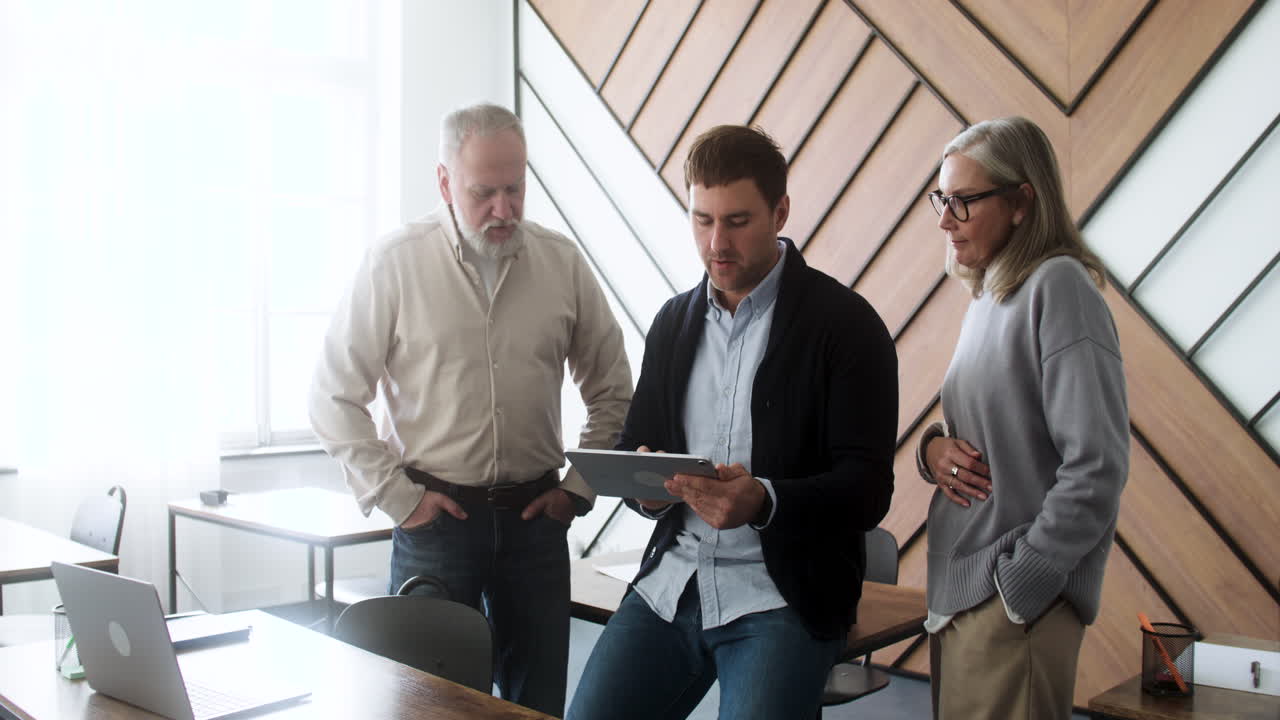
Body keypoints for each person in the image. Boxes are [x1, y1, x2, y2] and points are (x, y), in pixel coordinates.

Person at [308, 102, 633, 715]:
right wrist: (399, 499)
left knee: (537, 705)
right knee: (425, 706)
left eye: (516, 189)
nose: (504, 210)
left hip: (537, 522)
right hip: (435, 525)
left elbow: (614, 388)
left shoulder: (561, 263)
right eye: (484, 193)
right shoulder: (395, 264)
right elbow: (332, 396)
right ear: (444, 182)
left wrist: (579, 490)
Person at [566, 125, 898, 720]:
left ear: (780, 213)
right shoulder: (673, 323)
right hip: (674, 581)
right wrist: (647, 489)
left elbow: (869, 490)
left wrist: (765, 501)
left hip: (783, 597)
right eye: (702, 220)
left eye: (738, 222)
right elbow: (635, 442)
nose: (716, 243)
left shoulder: (847, 326)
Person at [917, 116, 1129, 720]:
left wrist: (1024, 582)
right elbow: (996, 426)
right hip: (967, 599)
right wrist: (933, 450)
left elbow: (1097, 464)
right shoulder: (990, 294)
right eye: (941, 199)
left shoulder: (1058, 287)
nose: (945, 220)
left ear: (1020, 203)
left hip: (1011, 604)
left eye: (963, 201)